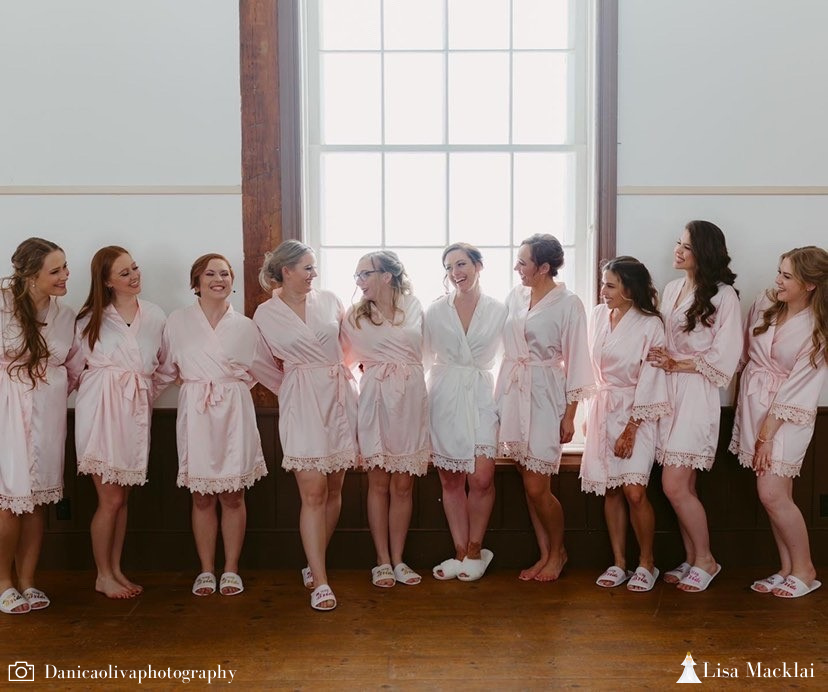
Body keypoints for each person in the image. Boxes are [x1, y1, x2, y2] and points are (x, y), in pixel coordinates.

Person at [163, 254, 281, 598]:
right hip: (196, 410)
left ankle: (230, 568)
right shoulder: (177, 321)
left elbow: (265, 371)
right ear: (196, 281)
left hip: (233, 410)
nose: (219, 279)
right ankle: (205, 570)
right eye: (210, 274)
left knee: (233, 494)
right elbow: (166, 368)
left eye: (225, 274)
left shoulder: (245, 326)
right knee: (201, 497)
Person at [254, 240, 358, 611]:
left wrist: (335, 373)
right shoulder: (265, 314)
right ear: (286, 271)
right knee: (312, 491)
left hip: (337, 396)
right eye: (308, 267)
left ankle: (314, 567)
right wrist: (290, 386)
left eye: (314, 267)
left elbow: (349, 346)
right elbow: (259, 361)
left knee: (333, 488)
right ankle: (322, 583)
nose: (315, 274)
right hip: (300, 400)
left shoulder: (329, 301)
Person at [647, 220, 742, 592]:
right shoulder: (672, 289)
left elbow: (726, 355)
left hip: (697, 393)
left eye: (686, 246)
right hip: (667, 391)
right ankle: (691, 558)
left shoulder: (724, 296)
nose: (678, 250)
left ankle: (706, 559)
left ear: (703, 252)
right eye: (678, 243)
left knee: (674, 484)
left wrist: (678, 362)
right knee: (682, 484)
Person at [728, 246, 827, 598]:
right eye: (779, 272)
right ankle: (787, 569)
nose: (777, 281)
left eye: (787, 276)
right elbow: (743, 353)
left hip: (787, 417)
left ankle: (805, 569)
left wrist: (767, 435)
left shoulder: (817, 330)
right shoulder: (766, 302)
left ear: (810, 285)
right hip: (754, 405)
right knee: (776, 495)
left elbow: (798, 389)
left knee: (771, 493)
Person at [495, 234, 593, 582]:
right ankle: (544, 553)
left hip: (546, 395)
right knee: (528, 484)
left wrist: (570, 415)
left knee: (539, 487)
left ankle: (559, 552)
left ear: (544, 267)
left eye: (523, 262)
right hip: (515, 392)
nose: (517, 268)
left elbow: (578, 360)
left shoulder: (569, 304)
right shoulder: (516, 296)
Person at [75, 246, 171, 599]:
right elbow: (73, 368)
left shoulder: (156, 315)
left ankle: (115, 570)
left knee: (123, 498)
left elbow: (165, 366)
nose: (134, 276)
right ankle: (102, 574)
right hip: (100, 409)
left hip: (135, 410)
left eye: (134, 268)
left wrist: (143, 393)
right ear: (106, 281)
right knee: (110, 499)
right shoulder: (89, 319)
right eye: (124, 273)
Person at [0, 238, 81, 614]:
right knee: (8, 500)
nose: (65, 275)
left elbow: (75, 368)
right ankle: (3, 582)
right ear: (31, 276)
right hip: (7, 411)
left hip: (48, 414)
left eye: (65, 267)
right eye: (56, 270)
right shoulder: (3, 306)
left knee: (36, 502)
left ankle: (29, 581)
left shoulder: (66, 316)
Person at [581, 257, 671, 592]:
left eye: (610, 285)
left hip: (637, 411)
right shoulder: (597, 316)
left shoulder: (651, 324)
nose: (602, 291)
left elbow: (651, 377)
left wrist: (631, 428)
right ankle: (619, 563)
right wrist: (588, 415)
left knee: (634, 491)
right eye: (603, 284)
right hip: (603, 408)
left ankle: (647, 563)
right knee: (611, 489)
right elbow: (589, 367)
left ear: (630, 289)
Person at [341, 250, 429, 588]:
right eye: (357, 276)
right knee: (378, 482)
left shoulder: (414, 307)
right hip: (375, 397)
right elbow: (342, 360)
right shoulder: (354, 317)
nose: (360, 281)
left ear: (387, 276)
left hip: (410, 398)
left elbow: (426, 352)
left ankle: (399, 558)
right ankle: (382, 560)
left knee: (403, 485)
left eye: (365, 274)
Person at [425, 243, 506, 581]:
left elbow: (513, 356)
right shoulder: (435, 311)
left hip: (482, 394)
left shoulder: (499, 310)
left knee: (482, 477)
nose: (455, 272)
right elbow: (421, 356)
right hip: (444, 396)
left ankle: (476, 549)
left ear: (478, 266)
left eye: (461, 264)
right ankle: (460, 551)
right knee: (451, 479)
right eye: (449, 267)